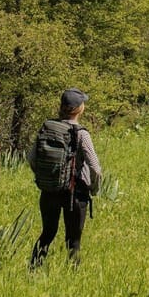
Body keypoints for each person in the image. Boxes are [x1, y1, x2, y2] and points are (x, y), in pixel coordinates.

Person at [27, 88, 102, 269]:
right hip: (75, 193)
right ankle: (73, 275)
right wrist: (94, 188)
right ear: (79, 109)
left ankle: (33, 270)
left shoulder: (48, 128)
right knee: (73, 240)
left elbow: (31, 158)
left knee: (47, 234)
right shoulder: (81, 134)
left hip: (49, 190)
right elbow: (95, 168)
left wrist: (45, 176)